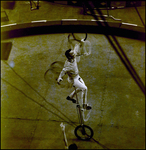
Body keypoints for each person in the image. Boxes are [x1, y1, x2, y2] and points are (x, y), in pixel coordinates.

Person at [57, 39, 91, 110]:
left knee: (82, 88)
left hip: (77, 76)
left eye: (73, 52)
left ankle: (70, 97)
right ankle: (84, 105)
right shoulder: (68, 65)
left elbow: (77, 47)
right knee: (85, 89)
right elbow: (63, 71)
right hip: (73, 80)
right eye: (72, 54)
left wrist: (81, 42)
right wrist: (59, 78)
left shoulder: (73, 55)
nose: (74, 54)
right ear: (69, 56)